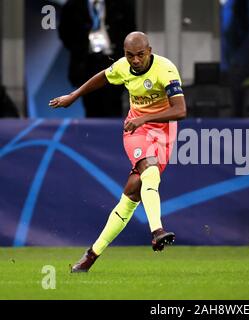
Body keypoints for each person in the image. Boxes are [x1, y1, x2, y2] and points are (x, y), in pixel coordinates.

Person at [49, 32, 187, 272]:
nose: (135, 60)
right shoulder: (123, 67)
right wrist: (73, 96)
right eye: (129, 55)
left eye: (140, 55)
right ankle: (157, 230)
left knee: (133, 193)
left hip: (164, 133)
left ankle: (90, 256)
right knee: (150, 170)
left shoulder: (166, 70)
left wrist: (147, 117)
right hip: (135, 130)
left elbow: (180, 110)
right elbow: (103, 76)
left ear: (150, 51)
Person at [58, 0, 136, 117]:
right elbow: (65, 33)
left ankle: (113, 134)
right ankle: (92, 134)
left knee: (113, 107)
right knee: (91, 107)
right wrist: (82, 46)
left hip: (114, 61)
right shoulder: (72, 6)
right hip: (86, 64)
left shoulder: (121, 4)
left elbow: (131, 31)